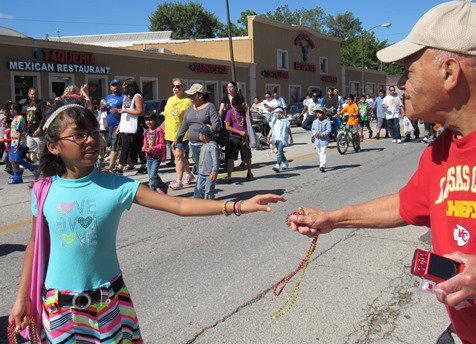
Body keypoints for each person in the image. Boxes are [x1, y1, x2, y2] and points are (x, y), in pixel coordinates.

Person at [8, 98, 285, 343]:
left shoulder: (117, 186)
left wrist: (237, 205)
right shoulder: (44, 190)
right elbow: (35, 244)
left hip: (109, 304)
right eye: (79, 135)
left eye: (94, 133)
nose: (91, 140)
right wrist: (22, 298)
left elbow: (179, 204)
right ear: (54, 146)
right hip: (58, 308)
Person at [289, 1, 476, 342]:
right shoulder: (441, 149)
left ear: (449, 72)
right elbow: (408, 204)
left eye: (410, 71)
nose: (401, 84)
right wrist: (332, 219)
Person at [174, 83, 220, 188]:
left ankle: (206, 190)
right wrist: (177, 138)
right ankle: (202, 188)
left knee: (206, 168)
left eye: (192, 95)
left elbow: (215, 124)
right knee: (200, 168)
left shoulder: (210, 107)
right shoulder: (190, 109)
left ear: (200, 95)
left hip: (206, 145)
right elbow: (184, 125)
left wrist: (206, 134)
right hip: (194, 144)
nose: (190, 97)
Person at [164, 78, 193, 190]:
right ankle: (189, 175)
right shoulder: (170, 100)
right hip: (170, 133)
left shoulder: (187, 101)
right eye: (173, 86)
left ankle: (179, 180)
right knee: (180, 156)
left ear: (183, 88)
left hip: (181, 134)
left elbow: (190, 118)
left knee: (178, 158)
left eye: (178, 86)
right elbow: (167, 116)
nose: (175, 88)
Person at [116, 80, 146, 175]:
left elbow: (140, 111)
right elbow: (123, 113)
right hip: (126, 125)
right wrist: (120, 125)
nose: (123, 88)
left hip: (135, 125)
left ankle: (143, 165)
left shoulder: (137, 97)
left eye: (125, 86)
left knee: (139, 146)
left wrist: (126, 111)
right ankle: (120, 167)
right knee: (125, 146)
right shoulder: (125, 97)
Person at [224, 95, 253, 183]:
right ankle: (229, 176)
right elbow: (227, 126)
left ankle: (249, 172)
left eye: (238, 106)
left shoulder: (245, 111)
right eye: (234, 106)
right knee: (230, 157)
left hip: (245, 137)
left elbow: (250, 121)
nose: (236, 108)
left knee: (247, 156)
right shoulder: (230, 112)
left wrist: (247, 110)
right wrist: (239, 132)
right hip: (234, 137)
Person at [7, 102, 38, 184]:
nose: (10, 110)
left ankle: (34, 168)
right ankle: (17, 177)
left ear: (16, 110)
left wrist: (18, 144)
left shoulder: (20, 118)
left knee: (17, 159)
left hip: (19, 142)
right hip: (13, 142)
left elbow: (19, 132)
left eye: (11, 109)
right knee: (12, 160)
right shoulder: (13, 118)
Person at [142, 111, 168, 194]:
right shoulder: (146, 132)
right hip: (149, 157)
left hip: (157, 156)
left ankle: (162, 186)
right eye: (146, 120)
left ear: (155, 120)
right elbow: (145, 143)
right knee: (150, 176)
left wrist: (152, 149)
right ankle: (153, 191)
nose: (148, 122)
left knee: (153, 175)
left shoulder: (159, 131)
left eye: (150, 120)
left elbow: (162, 145)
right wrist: (144, 147)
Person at [103, 79, 125, 173]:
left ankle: (110, 167)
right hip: (109, 125)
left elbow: (128, 108)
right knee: (120, 146)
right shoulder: (107, 97)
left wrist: (117, 109)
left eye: (117, 85)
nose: (116, 87)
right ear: (110, 87)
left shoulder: (124, 97)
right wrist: (102, 107)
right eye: (113, 85)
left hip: (118, 124)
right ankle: (130, 164)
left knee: (114, 146)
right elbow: (106, 109)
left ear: (120, 86)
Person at [193, 124, 220, 199]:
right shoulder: (204, 145)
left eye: (200, 134)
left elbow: (215, 160)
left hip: (209, 174)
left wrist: (214, 172)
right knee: (200, 188)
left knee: (208, 190)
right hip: (202, 173)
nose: (199, 136)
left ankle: (209, 203)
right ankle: (205, 200)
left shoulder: (213, 147)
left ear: (204, 136)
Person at [24, 87, 47, 163]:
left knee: (41, 152)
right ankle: (35, 168)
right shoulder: (29, 104)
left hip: (39, 133)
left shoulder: (41, 104)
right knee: (31, 151)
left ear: (38, 94)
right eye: (32, 94)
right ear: (28, 94)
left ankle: (44, 167)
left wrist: (40, 129)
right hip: (30, 132)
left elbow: (44, 117)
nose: (33, 96)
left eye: (35, 94)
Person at [267, 107, 293, 173]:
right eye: (276, 113)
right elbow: (272, 129)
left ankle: (277, 165)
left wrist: (291, 137)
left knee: (279, 152)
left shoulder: (285, 121)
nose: (278, 114)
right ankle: (285, 162)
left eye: (279, 113)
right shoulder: (274, 121)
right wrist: (269, 135)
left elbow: (288, 129)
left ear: (282, 114)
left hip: (282, 139)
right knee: (280, 152)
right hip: (275, 138)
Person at [311, 106, 331, 172]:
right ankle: (323, 164)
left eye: (320, 113)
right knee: (319, 152)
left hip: (324, 140)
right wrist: (315, 133)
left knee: (323, 152)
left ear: (323, 114)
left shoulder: (327, 122)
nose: (318, 114)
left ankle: (322, 165)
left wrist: (322, 134)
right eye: (317, 113)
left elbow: (328, 130)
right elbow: (313, 129)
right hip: (317, 140)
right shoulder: (314, 122)